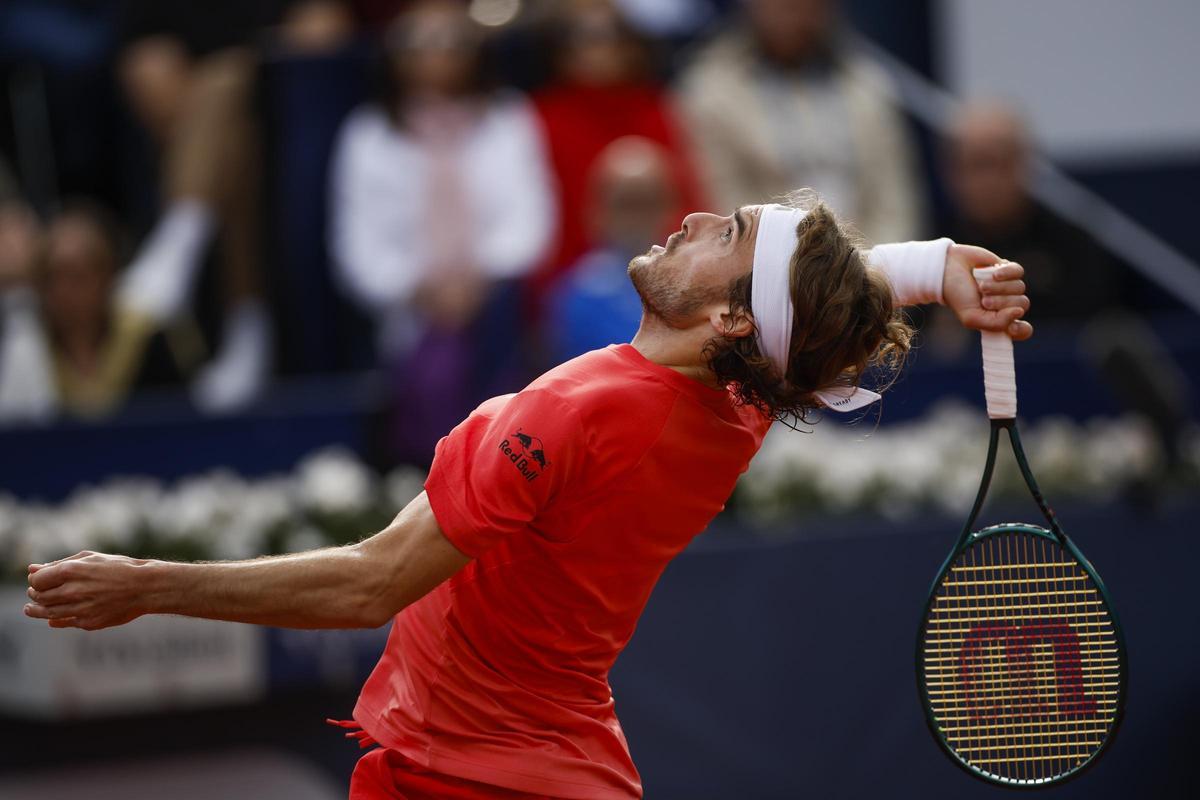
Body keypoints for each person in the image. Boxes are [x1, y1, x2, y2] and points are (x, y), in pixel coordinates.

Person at [23, 192, 1032, 799]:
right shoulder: (741, 406)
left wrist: (150, 581)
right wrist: (934, 267)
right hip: (535, 770)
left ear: (731, 315)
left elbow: (370, 584)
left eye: (723, 229)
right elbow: (815, 324)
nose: (686, 218)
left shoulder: (572, 409)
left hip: (471, 779)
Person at [329, 0, 555, 462]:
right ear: (393, 57)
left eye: (452, 42)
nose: (437, 55)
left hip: (496, 304)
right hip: (410, 313)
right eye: (420, 43)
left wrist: (475, 279)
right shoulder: (368, 134)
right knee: (428, 373)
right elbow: (358, 249)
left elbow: (530, 223)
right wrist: (423, 287)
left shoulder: (509, 118)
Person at [677, 0, 924, 245]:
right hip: (761, 266)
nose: (795, 8)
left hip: (870, 264)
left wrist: (873, 268)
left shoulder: (869, 86)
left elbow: (896, 204)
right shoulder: (711, 91)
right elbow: (724, 208)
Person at [532, 0, 704, 288]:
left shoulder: (656, 110)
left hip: (663, 263)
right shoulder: (544, 117)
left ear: (632, 47)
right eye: (587, 39)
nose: (601, 50)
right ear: (563, 52)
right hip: (572, 277)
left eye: (612, 37)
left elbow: (686, 197)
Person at [0, 202, 196, 421]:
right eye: (52, 277)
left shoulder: (150, 343)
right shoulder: (23, 346)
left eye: (77, 276)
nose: (64, 291)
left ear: (107, 277)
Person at [547, 136, 679, 363]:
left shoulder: (695, 285)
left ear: (670, 207)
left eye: (647, 202)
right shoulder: (576, 295)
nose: (636, 218)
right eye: (625, 204)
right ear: (596, 211)